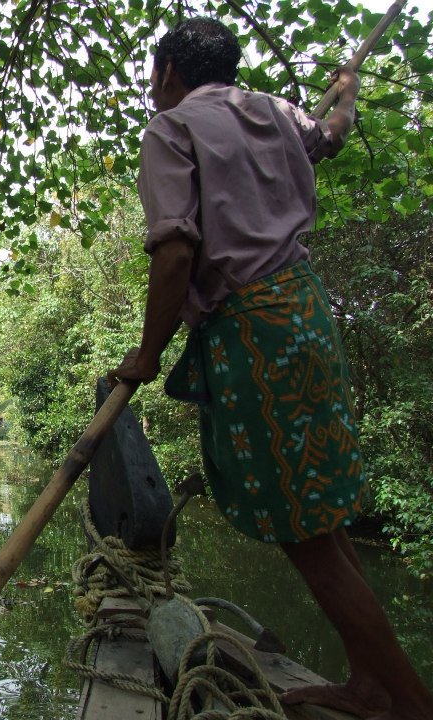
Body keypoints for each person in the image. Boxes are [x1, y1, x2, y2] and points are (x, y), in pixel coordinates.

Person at [111, 17, 433, 720]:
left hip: (253, 331)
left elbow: (173, 254)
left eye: (151, 74)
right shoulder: (276, 111)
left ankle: (409, 702)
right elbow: (335, 133)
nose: (150, 87)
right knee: (322, 520)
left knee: (305, 531)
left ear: (168, 72)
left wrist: (146, 353)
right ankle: (370, 683)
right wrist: (344, 92)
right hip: (306, 314)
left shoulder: (170, 129)